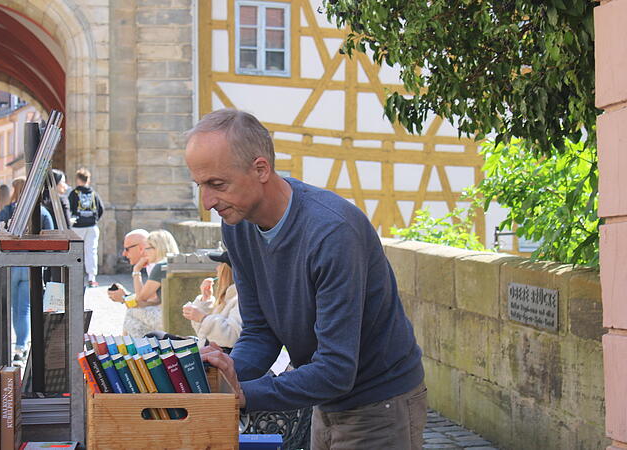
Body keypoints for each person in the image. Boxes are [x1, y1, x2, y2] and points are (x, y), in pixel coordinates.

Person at [185, 109, 426, 449]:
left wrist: (244, 393)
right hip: (324, 398)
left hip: (379, 402)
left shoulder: (331, 233)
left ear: (261, 169)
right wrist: (226, 374)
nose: (207, 202)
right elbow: (259, 332)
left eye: (217, 184)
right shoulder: (237, 226)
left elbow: (336, 369)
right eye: (200, 185)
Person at [0, 177, 55, 360]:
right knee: (27, 308)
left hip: (12, 264)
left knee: (16, 309)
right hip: (33, 266)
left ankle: (19, 346)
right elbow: (52, 240)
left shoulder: (7, 210)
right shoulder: (43, 212)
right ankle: (24, 345)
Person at [108, 229, 179, 337]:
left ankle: (132, 349)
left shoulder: (160, 266)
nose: (145, 252)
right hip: (177, 315)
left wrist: (136, 271)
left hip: (168, 317)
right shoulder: (173, 262)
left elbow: (141, 298)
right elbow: (153, 301)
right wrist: (127, 299)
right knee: (134, 315)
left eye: (147, 248)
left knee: (131, 313)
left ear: (157, 248)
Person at [182, 251, 242, 350]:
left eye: (220, 264)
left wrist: (203, 317)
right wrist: (205, 301)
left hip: (224, 359)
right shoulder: (228, 297)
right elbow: (204, 334)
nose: (217, 268)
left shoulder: (239, 299)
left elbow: (232, 337)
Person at [67, 168, 104, 287]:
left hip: (78, 226)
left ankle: (73, 276)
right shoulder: (94, 193)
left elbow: (69, 209)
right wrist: (94, 219)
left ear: (78, 179)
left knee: (75, 251)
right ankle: (92, 278)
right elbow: (101, 208)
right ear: (88, 179)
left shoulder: (74, 193)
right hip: (92, 226)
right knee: (92, 252)